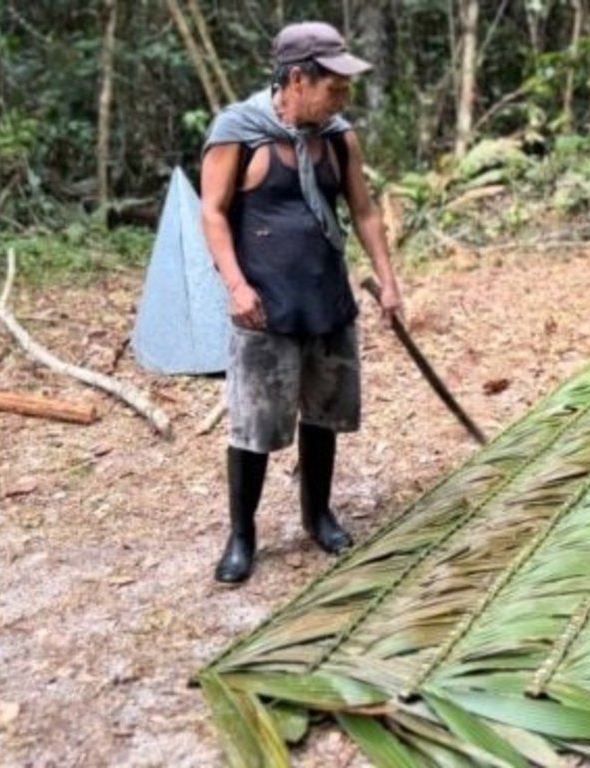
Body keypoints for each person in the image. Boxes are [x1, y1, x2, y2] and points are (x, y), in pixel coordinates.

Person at [199, 21, 402, 584]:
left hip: (327, 298)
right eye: (333, 85)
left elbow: (363, 211)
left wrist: (387, 280)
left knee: (323, 414)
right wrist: (236, 287)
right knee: (254, 426)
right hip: (264, 306)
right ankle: (242, 536)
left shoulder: (337, 136)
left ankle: (318, 515)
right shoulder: (239, 134)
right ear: (296, 80)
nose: (343, 96)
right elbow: (212, 214)